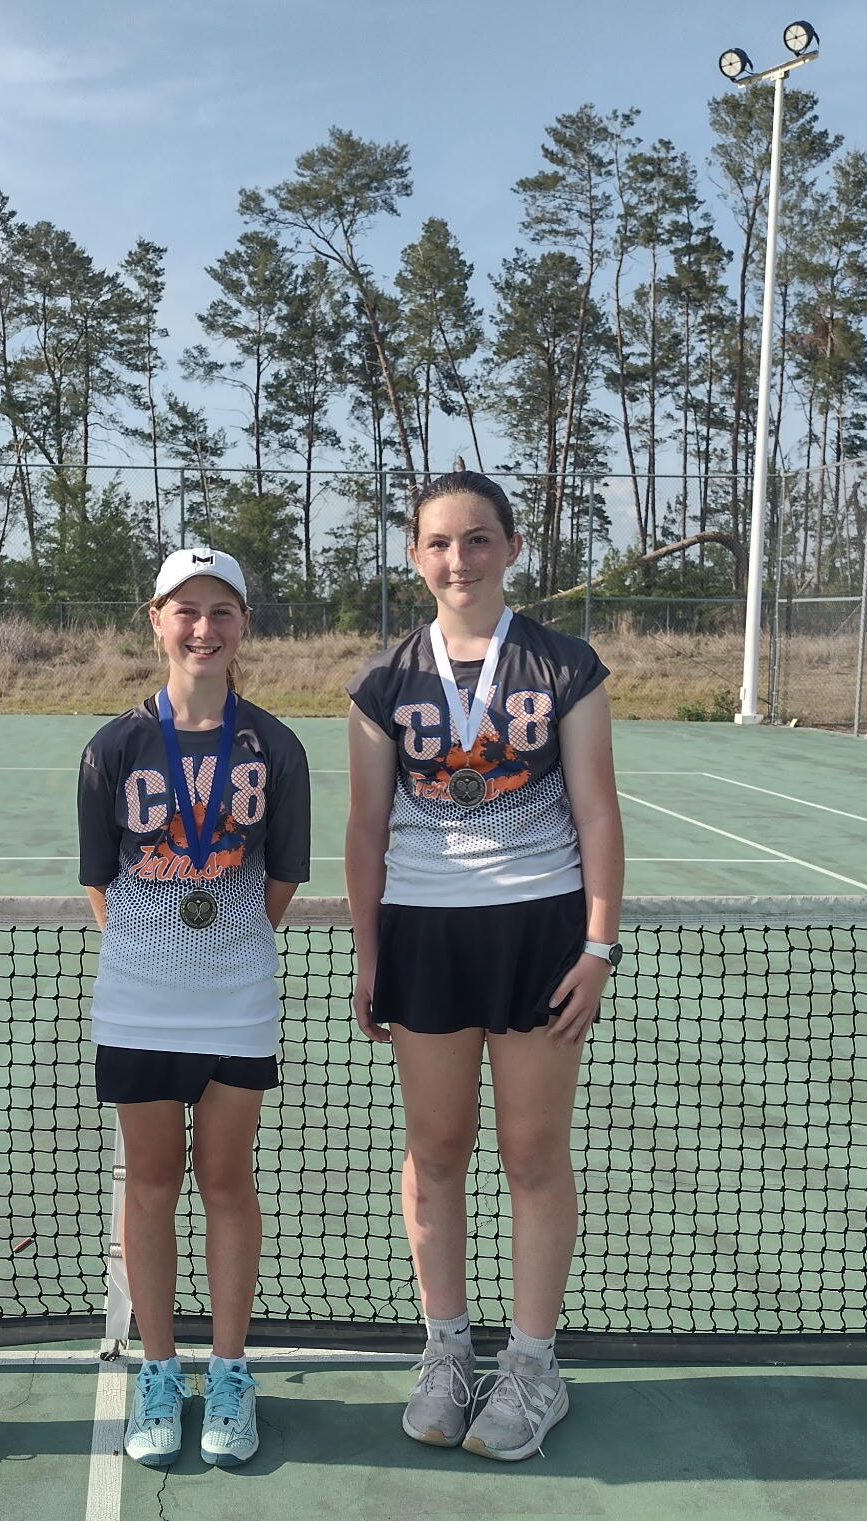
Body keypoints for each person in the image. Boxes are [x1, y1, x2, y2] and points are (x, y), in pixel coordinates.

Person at [344, 471, 623, 1462]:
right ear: (413, 556)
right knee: (435, 1150)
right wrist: (369, 953)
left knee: (533, 1153)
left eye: (476, 539)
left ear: (510, 548)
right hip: (424, 933)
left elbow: (596, 811)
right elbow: (365, 827)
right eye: (438, 542)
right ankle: (446, 1352)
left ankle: (533, 1366)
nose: (457, 559)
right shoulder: (383, 682)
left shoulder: (563, 665)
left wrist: (596, 945)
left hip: (539, 931)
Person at [77, 548, 311, 1470]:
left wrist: (224, 948)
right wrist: (157, 952)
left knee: (225, 1181)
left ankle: (231, 1371)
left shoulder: (275, 747)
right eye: (185, 610)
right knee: (150, 1184)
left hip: (238, 1001)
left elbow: (281, 878)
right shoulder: (113, 747)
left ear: (243, 623)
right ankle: (159, 1370)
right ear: (156, 619)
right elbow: (100, 881)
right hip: (137, 1004)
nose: (203, 628)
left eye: (221, 611)